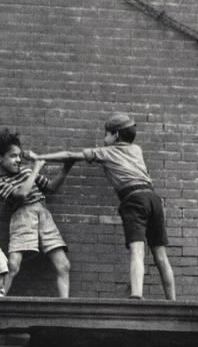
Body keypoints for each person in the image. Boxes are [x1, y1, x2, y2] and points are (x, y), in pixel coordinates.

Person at [34, 112, 176, 301]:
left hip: (133, 199)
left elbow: (70, 156)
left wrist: (40, 157)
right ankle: (172, 301)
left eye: (106, 134)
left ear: (115, 135)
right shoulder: (137, 150)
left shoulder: (106, 152)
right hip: (153, 199)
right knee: (161, 255)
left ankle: (136, 295)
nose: (104, 139)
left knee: (137, 251)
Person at [0, 129, 74, 298]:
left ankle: (65, 306)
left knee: (64, 265)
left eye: (19, 155)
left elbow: (50, 187)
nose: (18, 160)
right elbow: (21, 194)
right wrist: (35, 168)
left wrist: (66, 167)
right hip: (22, 217)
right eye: (13, 156)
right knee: (13, 265)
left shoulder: (27, 172)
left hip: (43, 214)